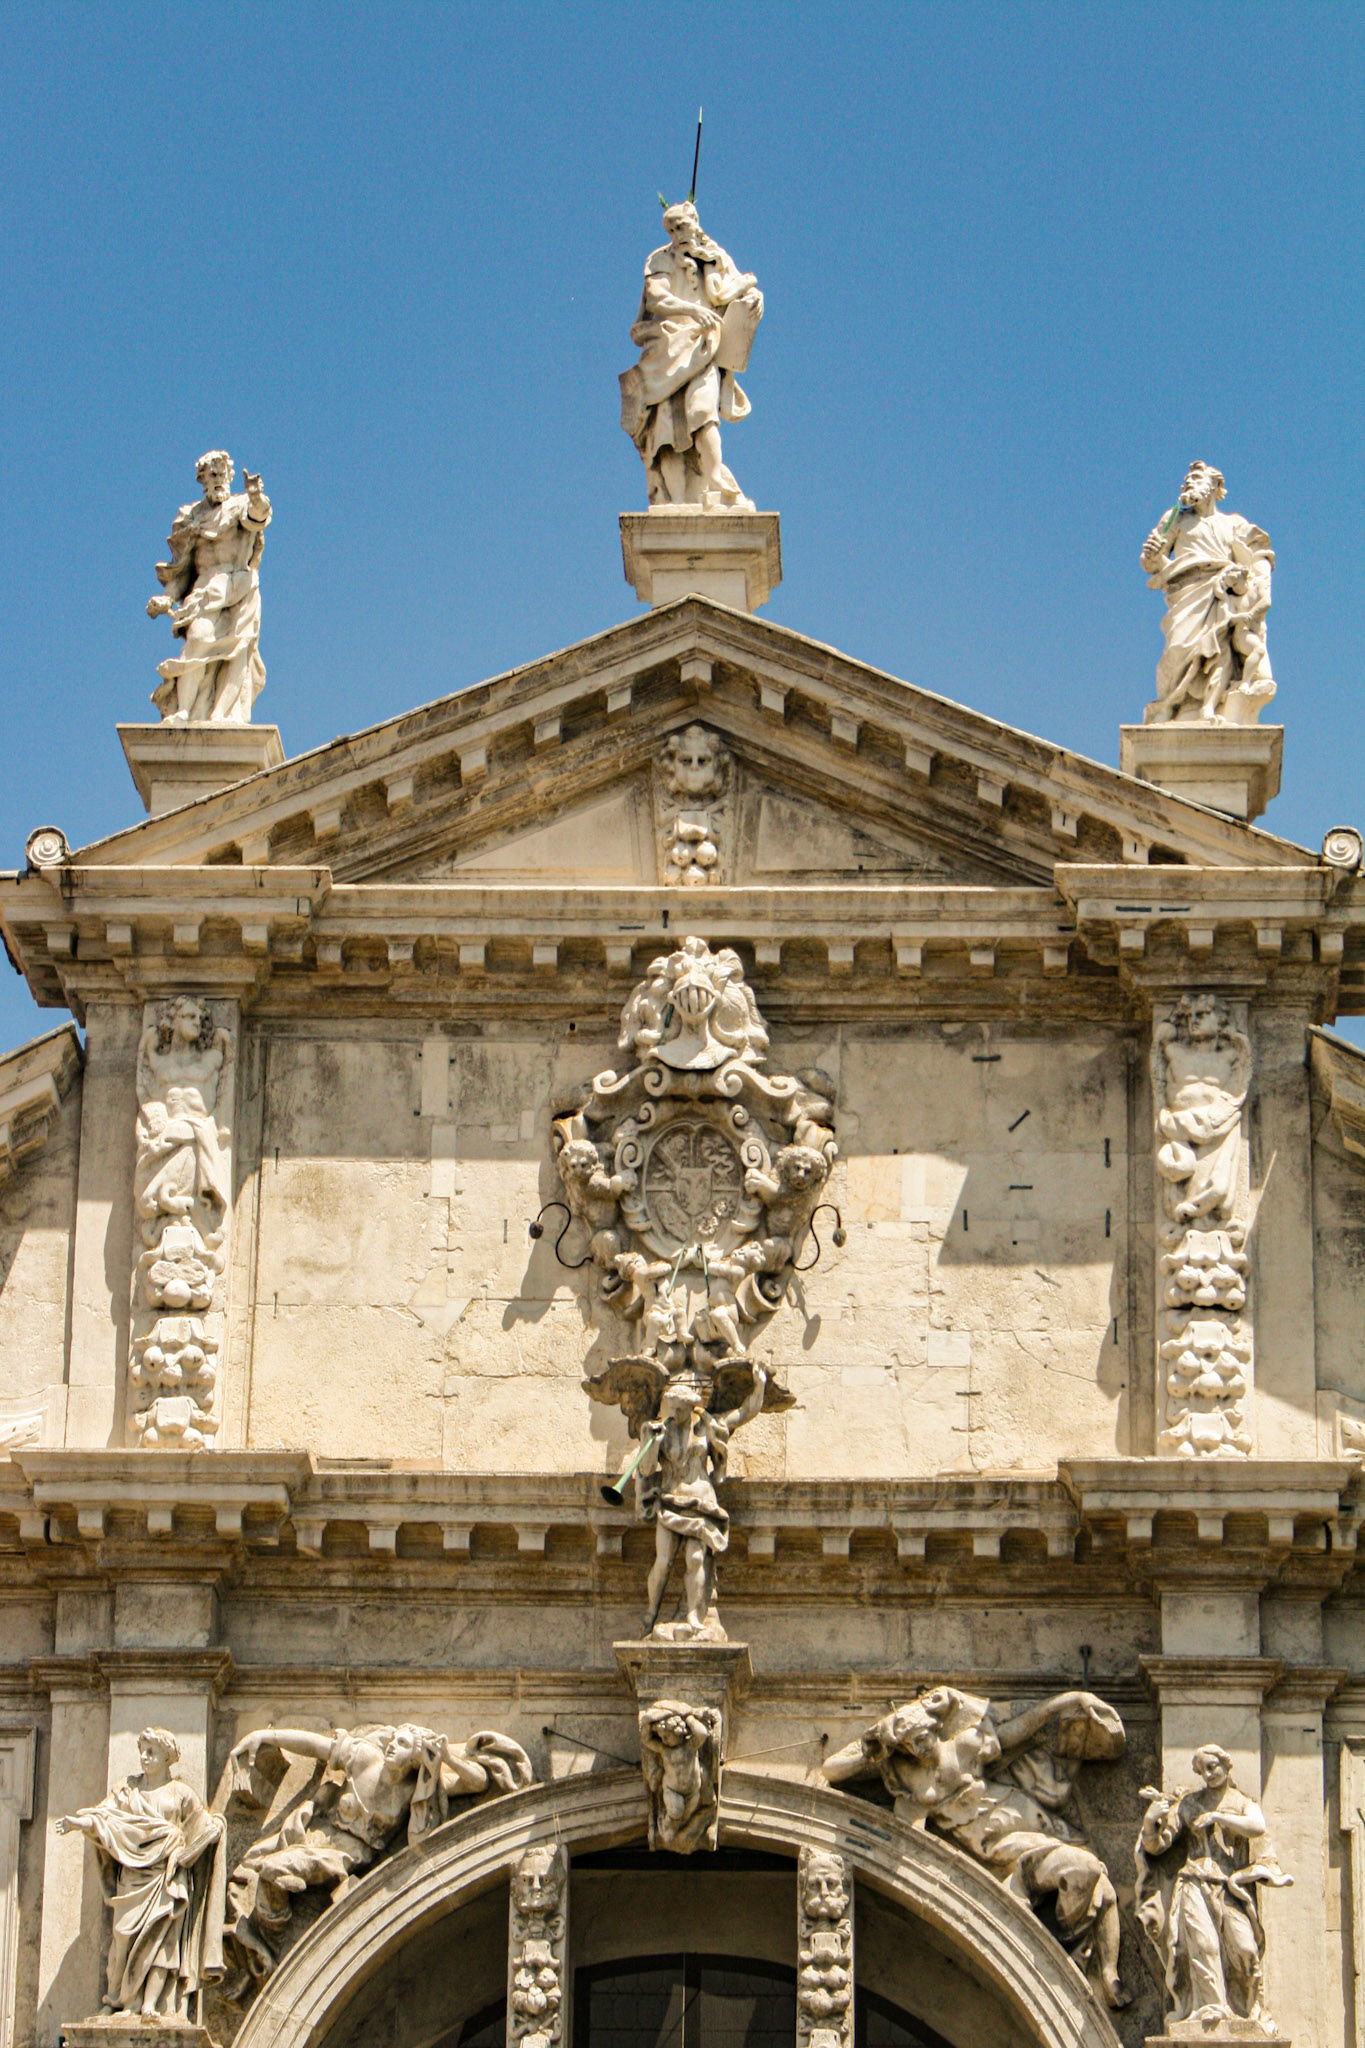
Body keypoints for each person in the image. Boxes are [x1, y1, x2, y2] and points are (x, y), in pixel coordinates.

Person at [823, 1686, 1127, 2008]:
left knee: (1091, 1875)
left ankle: (1092, 1963)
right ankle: (1063, 1952)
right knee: (1082, 1872)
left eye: (923, 1736)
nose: (919, 1746)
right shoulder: (907, 1780)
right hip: (1000, 1854)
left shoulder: (965, 1746)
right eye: (910, 1744)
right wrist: (873, 1743)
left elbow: (1019, 1730)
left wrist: (1064, 1702)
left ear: (935, 1729)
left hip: (1024, 1826)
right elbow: (831, 1769)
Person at [223, 1721, 532, 1995]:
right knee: (271, 1872)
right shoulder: (365, 1757)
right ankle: (268, 1945)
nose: (392, 1745)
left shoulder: (415, 1790)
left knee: (274, 1870)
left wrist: (445, 1758)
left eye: (403, 1744)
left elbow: (478, 1782)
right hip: (316, 1839)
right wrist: (267, 1736)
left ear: (415, 1758)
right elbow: (316, 1745)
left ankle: (268, 1948)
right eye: (394, 1739)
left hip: (346, 1859)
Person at [56, 1727, 226, 2019]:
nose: (144, 1757)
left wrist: (213, 1829)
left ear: (167, 1757)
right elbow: (103, 1816)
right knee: (122, 1938)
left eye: (152, 1752)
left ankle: (150, 2004)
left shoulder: (181, 1793)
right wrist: (78, 1823)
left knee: (163, 1944)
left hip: (167, 1877)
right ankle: (119, 1999)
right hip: (133, 1878)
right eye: (142, 1752)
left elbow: (204, 1824)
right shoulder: (127, 1789)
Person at [620, 202, 764, 510]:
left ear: (695, 222)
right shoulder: (660, 258)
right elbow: (656, 298)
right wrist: (694, 311)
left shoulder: (715, 256)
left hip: (703, 347)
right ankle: (676, 498)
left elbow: (739, 288)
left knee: (702, 411)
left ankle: (716, 483)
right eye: (671, 229)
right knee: (666, 428)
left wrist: (754, 299)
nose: (677, 233)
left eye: (681, 225)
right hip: (667, 349)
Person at [1136, 1745, 1291, 2030]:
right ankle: (1212, 2007)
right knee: (1203, 1946)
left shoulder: (1242, 1802)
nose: (1208, 1774)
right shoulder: (1189, 1803)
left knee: (1245, 1949)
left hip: (1229, 1887)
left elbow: (1257, 1826)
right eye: (1202, 1770)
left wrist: (1218, 1817)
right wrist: (1150, 1821)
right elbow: (1158, 1845)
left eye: (1212, 1767)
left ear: (1226, 1765)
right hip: (1193, 1882)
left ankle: (1249, 2008)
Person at [635, 1362, 768, 1638]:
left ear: (691, 1407)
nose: (676, 1414)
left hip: (701, 1501)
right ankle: (651, 1612)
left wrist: (760, 1385)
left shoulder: (706, 1426)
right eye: (672, 1408)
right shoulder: (657, 1431)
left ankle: (694, 1615)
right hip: (670, 1500)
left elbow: (744, 1413)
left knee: (695, 1558)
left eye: (681, 1409)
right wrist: (652, 1444)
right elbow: (646, 1470)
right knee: (663, 1562)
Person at [1139, 462, 1275, 724]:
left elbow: (1259, 552)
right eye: (1186, 481)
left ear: (1215, 486)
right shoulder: (1175, 519)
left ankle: (1208, 708)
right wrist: (1151, 556)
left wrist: (1260, 582)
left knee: (1219, 653)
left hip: (1223, 592)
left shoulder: (1233, 523)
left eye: (1196, 479)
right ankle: (1169, 704)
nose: (1188, 484)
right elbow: (1152, 562)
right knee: (1178, 648)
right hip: (1186, 592)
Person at [147, 449, 271, 722]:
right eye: (212, 475)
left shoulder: (242, 505)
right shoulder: (190, 516)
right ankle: (185, 711)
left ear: (229, 476)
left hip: (239, 585)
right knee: (198, 640)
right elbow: (183, 568)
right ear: (202, 480)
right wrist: (168, 597)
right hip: (205, 588)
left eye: (222, 474)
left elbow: (258, 517)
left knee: (237, 653)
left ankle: (223, 715)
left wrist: (256, 497)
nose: (218, 480)